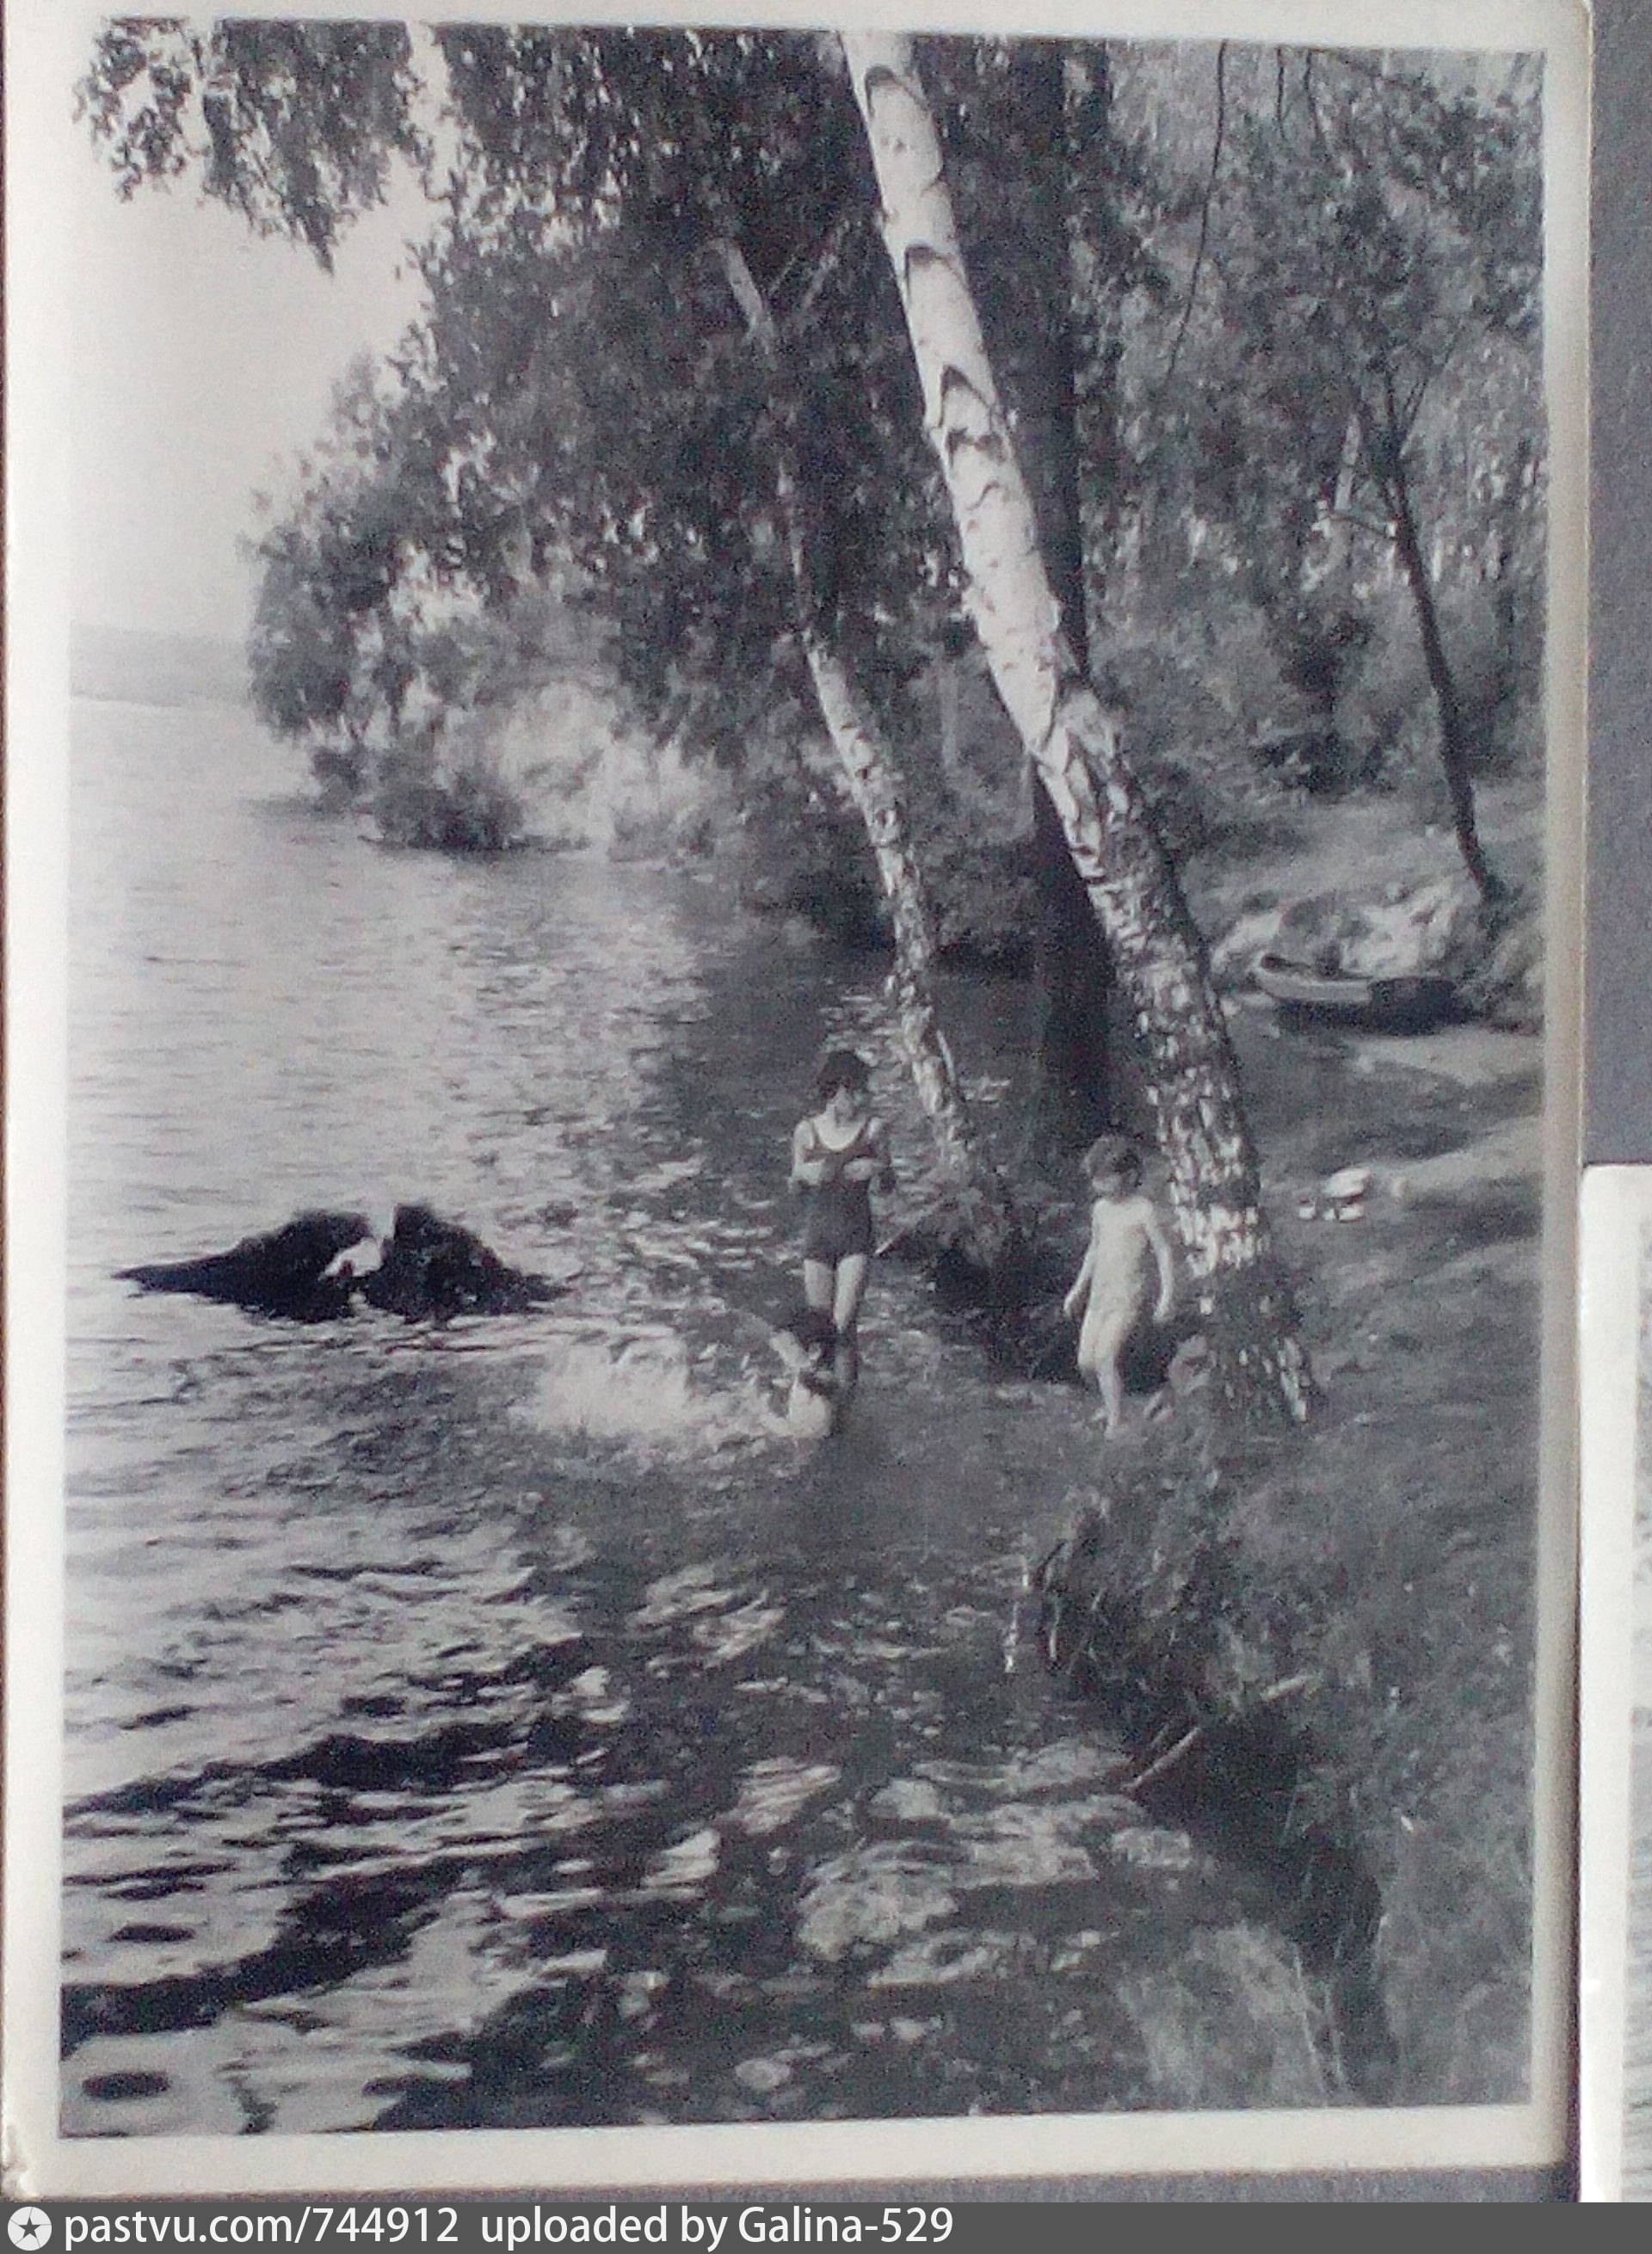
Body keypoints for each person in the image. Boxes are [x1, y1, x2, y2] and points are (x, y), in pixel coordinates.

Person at [790, 1048, 894, 1399]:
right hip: (817, 1238)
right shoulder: (806, 1132)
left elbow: (889, 1186)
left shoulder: (873, 1130)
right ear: (838, 1091)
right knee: (820, 1331)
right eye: (859, 1091)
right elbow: (795, 1189)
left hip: (856, 1239)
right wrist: (804, 1173)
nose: (864, 1098)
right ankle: (820, 1397)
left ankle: (845, 1399)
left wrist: (878, 1169)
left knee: (844, 1324)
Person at [1062, 1133, 1175, 1437]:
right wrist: (1078, 1289)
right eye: (1095, 1179)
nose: (1099, 1185)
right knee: (1086, 1361)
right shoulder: (1100, 1210)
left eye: (1106, 1178)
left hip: (1128, 1297)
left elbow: (1163, 1252)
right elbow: (1094, 1250)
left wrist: (1166, 1295)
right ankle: (1110, 1401)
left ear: (1129, 1175)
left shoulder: (1143, 1210)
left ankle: (1116, 1422)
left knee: (1105, 1357)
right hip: (1099, 1296)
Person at [772, 1307, 844, 1439]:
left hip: (810, 1437)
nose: (781, 1354)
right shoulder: (804, 1374)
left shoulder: (817, 1382)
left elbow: (827, 1385)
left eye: (787, 1348)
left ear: (814, 1352)